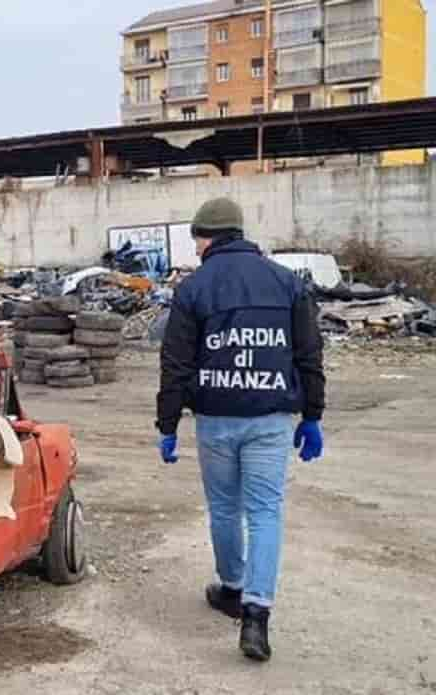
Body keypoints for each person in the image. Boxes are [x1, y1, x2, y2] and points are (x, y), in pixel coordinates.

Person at [156, 198, 325, 662]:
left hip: (215, 419)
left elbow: (175, 363)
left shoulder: (193, 290)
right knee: (266, 512)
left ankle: (231, 587)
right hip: (271, 419)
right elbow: (309, 354)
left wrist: (167, 424)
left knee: (225, 509)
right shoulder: (287, 283)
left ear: (205, 238)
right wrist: (312, 415)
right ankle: (256, 614)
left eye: (196, 240)